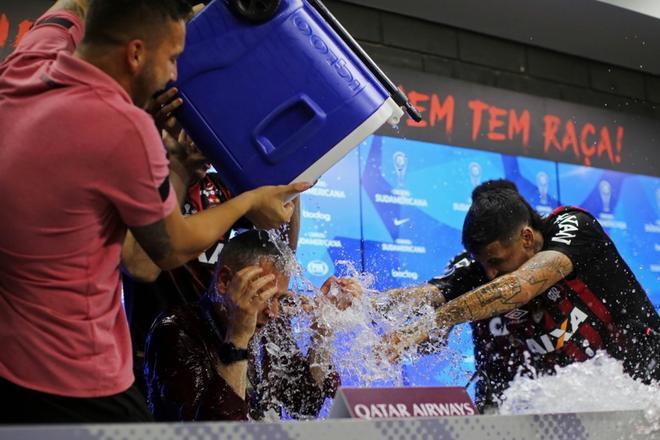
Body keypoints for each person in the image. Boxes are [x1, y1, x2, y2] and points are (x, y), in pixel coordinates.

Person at [0, 0, 307, 423]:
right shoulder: (124, 126)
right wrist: (250, 200)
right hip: (75, 377)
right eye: (172, 57)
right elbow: (165, 249)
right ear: (136, 53)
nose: (174, 75)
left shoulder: (27, 64)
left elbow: (74, 3)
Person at [387, 182, 660, 386]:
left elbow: (520, 286)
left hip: (647, 378)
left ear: (527, 238)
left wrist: (436, 321)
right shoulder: (488, 264)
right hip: (577, 398)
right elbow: (429, 292)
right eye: (484, 265)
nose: (491, 275)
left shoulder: (573, 225)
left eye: (496, 262)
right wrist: (367, 300)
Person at [144, 230, 360, 421]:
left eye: (279, 298)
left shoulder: (272, 327)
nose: (273, 311)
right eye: (261, 294)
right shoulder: (177, 331)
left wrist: (321, 331)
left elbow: (304, 406)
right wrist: (238, 337)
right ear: (225, 281)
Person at [378, 180, 541, 412]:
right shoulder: (469, 267)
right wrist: (406, 340)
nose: (491, 273)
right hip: (495, 397)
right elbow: (436, 336)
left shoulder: (549, 255)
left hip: (554, 389)